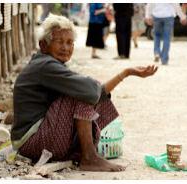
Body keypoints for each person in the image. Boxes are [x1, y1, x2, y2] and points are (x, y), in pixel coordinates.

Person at [11, 14, 158, 172]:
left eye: (69, 43)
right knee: (82, 93)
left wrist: (127, 73)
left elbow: (98, 93)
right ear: (44, 45)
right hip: (32, 142)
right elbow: (90, 91)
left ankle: (85, 154)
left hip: (33, 141)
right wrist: (115, 78)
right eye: (59, 42)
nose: (65, 47)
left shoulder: (48, 64)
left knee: (84, 89)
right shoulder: (46, 66)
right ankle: (89, 157)